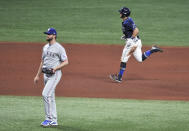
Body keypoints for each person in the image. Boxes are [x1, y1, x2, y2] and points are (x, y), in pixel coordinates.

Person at [109, 7, 163, 83]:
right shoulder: (128, 20)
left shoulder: (126, 22)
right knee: (140, 59)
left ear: (124, 14)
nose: (120, 13)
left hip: (131, 44)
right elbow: (131, 31)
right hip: (137, 42)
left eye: (121, 12)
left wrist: (131, 38)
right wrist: (126, 36)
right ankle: (153, 49)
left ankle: (119, 77)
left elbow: (136, 30)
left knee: (124, 59)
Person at [34, 28, 68, 127]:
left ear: (54, 35)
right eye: (47, 34)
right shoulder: (45, 47)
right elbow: (42, 62)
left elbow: (66, 62)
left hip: (55, 75)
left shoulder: (59, 48)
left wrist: (55, 68)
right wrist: (37, 75)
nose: (47, 35)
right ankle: (54, 120)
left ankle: (48, 119)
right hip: (45, 74)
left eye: (49, 34)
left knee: (45, 94)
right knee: (51, 97)